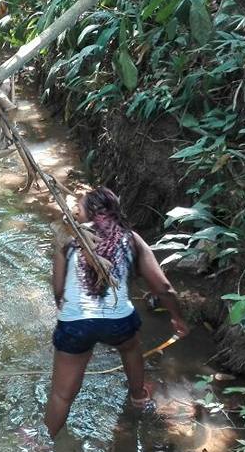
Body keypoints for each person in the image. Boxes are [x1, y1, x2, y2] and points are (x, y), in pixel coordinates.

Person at [44, 187, 189, 438]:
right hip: (118, 321)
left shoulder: (67, 240)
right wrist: (177, 317)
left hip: (75, 324)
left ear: (89, 212)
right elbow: (163, 287)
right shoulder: (130, 238)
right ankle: (138, 397)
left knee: (61, 394)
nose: (76, 213)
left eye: (79, 208)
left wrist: (68, 314)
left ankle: (45, 440)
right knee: (131, 347)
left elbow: (58, 290)